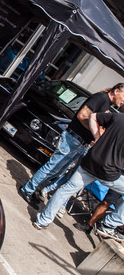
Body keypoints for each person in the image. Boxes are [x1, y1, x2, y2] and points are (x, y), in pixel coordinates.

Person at [18, 83, 124, 208]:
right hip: (73, 139)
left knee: (59, 170)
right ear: (116, 91)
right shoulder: (101, 98)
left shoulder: (106, 104)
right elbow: (82, 115)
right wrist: (95, 132)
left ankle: (38, 189)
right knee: (53, 167)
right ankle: (27, 189)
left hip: (79, 142)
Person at [32, 110, 124, 240]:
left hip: (90, 162)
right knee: (66, 189)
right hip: (107, 172)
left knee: (66, 190)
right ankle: (109, 225)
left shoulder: (118, 117)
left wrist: (97, 137)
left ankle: (41, 221)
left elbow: (93, 117)